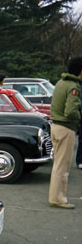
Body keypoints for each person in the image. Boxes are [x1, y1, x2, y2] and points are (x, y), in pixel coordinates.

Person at [48, 56, 82, 209]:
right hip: (66, 128)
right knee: (63, 166)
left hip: (55, 126)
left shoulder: (60, 83)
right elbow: (71, 111)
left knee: (58, 165)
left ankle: (55, 196)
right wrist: (79, 117)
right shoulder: (73, 87)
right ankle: (59, 199)